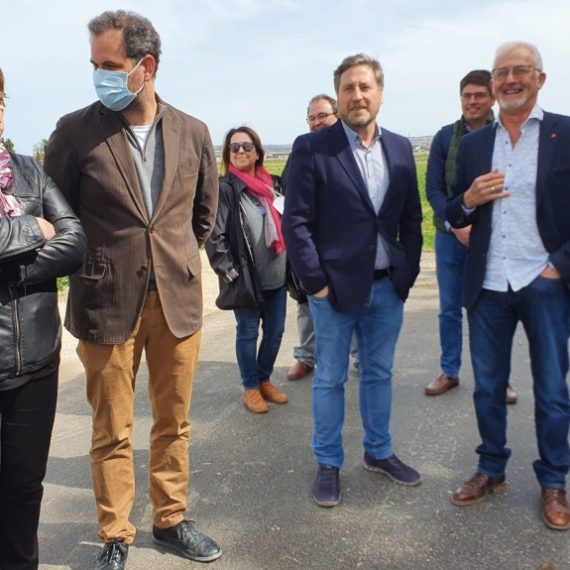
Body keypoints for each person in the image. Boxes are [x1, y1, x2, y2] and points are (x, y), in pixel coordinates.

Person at [43, 10, 222, 568]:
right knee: (110, 429)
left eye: (110, 65)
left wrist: (168, 260)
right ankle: (115, 534)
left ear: (147, 66)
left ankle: (170, 520)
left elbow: (202, 217)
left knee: (173, 422)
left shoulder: (193, 132)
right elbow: (61, 217)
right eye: (94, 65)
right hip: (105, 302)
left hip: (175, 302)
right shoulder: (75, 132)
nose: (99, 75)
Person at [283, 54, 423, 507]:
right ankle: (328, 464)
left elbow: (410, 219)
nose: (357, 95)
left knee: (379, 374)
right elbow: (296, 222)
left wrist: (407, 273)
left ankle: (379, 451)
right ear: (339, 97)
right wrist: (316, 284)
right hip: (334, 291)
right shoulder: (313, 148)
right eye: (348, 88)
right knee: (329, 379)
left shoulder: (399, 148)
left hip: (387, 288)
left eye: (365, 87)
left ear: (379, 94)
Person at [448, 42, 570, 531]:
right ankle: (491, 467)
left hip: (545, 282)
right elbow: (454, 210)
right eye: (502, 73)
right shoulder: (476, 144)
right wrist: (468, 199)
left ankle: (554, 481)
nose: (510, 79)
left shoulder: (565, 133)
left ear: (540, 78)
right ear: (493, 83)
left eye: (521, 70)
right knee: (488, 387)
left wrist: (558, 266)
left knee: (553, 390)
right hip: (489, 283)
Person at [0, 66, 86, 570]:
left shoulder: (30, 171)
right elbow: (52, 232)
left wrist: (9, 271)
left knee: (24, 488)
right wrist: (34, 228)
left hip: (35, 362)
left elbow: (75, 241)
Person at [425, 70, 518, 405]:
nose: (472, 101)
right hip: (450, 236)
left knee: (492, 308)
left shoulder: (507, 135)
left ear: (492, 98)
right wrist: (456, 225)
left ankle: (498, 378)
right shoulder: (443, 137)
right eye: (467, 96)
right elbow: (434, 189)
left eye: (479, 95)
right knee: (449, 309)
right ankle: (449, 371)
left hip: (493, 237)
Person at [206, 126, 289, 414]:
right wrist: (231, 274)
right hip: (246, 280)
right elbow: (215, 237)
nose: (240, 151)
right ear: (228, 154)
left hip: (277, 276)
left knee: (276, 332)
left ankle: (264, 379)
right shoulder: (225, 189)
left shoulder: (273, 185)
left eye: (246, 146)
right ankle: (251, 387)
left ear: (257, 152)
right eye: (234, 147)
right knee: (248, 333)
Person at [286, 94, 339, 382]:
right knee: (306, 301)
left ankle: (358, 357)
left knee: (353, 298)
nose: (317, 122)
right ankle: (306, 356)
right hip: (309, 242)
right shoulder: (302, 149)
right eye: (312, 117)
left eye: (323, 115)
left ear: (337, 116)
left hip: (343, 243)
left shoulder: (349, 147)